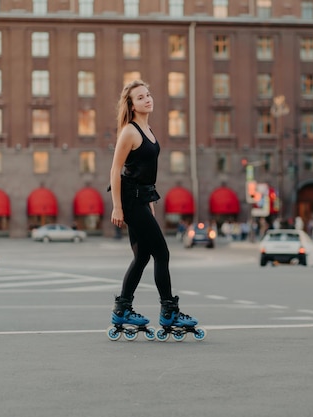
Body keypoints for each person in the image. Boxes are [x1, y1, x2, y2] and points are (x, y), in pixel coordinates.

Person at [109, 79, 198, 331]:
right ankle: (169, 311)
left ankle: (122, 309)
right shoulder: (130, 131)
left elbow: (144, 171)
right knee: (162, 253)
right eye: (140, 97)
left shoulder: (148, 129)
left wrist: (149, 201)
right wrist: (117, 206)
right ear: (132, 104)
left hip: (141, 199)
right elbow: (116, 170)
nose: (147, 99)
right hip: (130, 200)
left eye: (148, 94)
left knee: (142, 256)